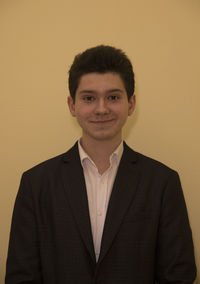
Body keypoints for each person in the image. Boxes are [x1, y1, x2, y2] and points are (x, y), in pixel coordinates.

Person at [6, 45, 196, 284]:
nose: (101, 108)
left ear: (131, 104)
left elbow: (179, 275)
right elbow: (20, 276)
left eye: (113, 97)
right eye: (89, 98)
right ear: (72, 105)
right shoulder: (36, 184)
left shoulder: (162, 183)